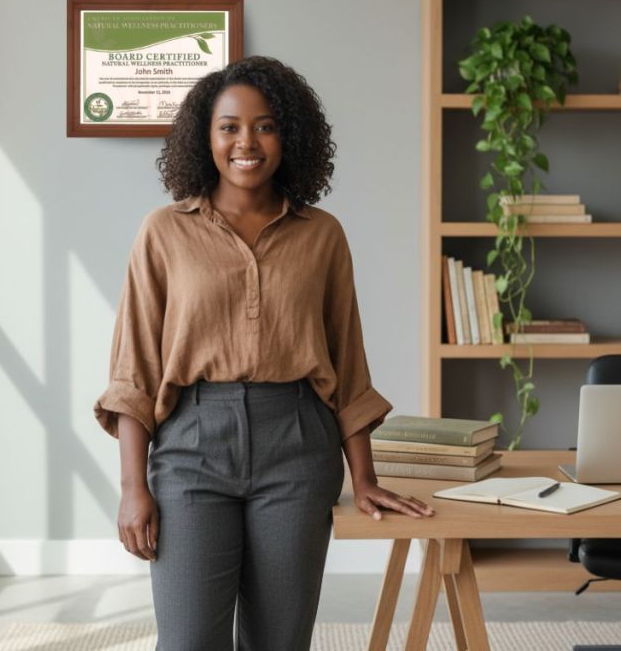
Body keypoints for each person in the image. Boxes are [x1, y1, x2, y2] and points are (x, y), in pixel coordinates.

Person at [93, 55, 435, 651]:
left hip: (298, 447)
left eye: (265, 125)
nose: (246, 141)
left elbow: (346, 363)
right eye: (229, 126)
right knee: (189, 641)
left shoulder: (322, 234)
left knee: (280, 641)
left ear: (289, 136)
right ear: (206, 137)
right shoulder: (164, 231)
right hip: (190, 448)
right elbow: (133, 370)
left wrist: (366, 476)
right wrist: (131, 487)